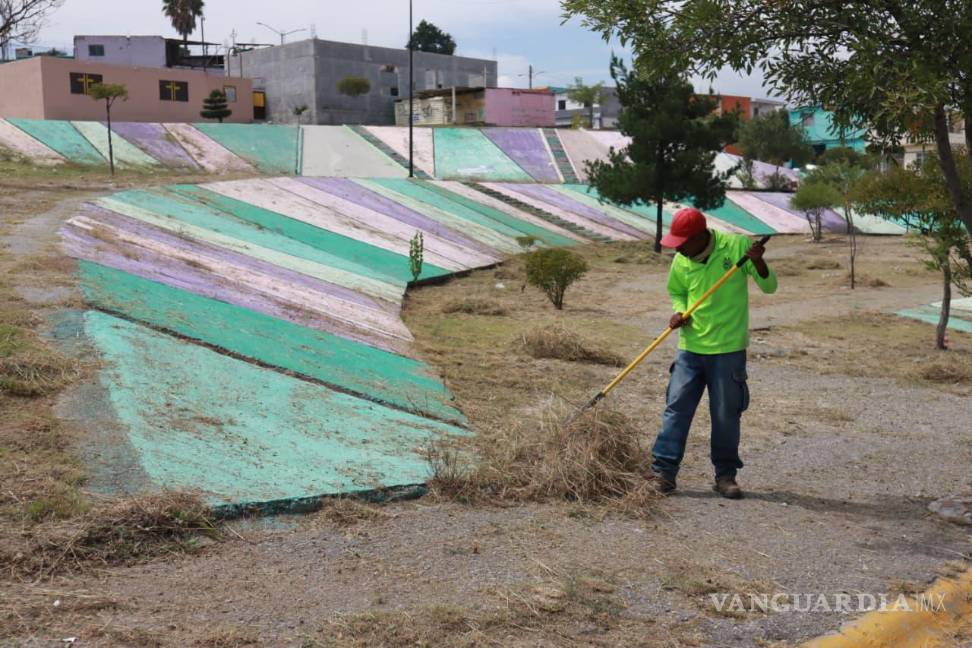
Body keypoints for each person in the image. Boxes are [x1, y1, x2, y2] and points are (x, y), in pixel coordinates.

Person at [649, 207, 776, 499]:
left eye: (682, 241)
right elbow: (677, 292)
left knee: (725, 415)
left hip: (728, 350)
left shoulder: (738, 247)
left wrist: (758, 263)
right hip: (690, 349)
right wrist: (679, 311)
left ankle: (725, 476)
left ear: (699, 236)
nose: (678, 247)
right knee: (676, 410)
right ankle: (663, 473)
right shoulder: (681, 260)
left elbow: (770, 287)